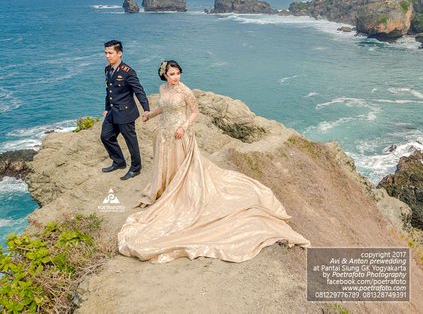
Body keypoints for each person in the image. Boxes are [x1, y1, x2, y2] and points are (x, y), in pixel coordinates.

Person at [117, 60, 310, 263]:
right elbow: (163, 109)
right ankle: (166, 189)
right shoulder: (162, 89)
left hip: (180, 135)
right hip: (165, 135)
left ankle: (179, 192)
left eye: (178, 73)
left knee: (185, 170)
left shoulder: (185, 91)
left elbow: (194, 112)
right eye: (172, 74)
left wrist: (183, 126)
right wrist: (149, 115)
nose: (176, 77)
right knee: (167, 166)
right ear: (165, 75)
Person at [100, 40, 150, 181]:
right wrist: (106, 109)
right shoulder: (108, 69)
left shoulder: (128, 72)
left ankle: (136, 168)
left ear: (119, 53)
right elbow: (109, 91)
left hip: (125, 112)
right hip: (112, 111)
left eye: (110, 53)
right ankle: (119, 161)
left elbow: (139, 91)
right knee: (106, 136)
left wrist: (146, 109)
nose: (107, 56)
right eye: (106, 53)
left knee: (130, 141)